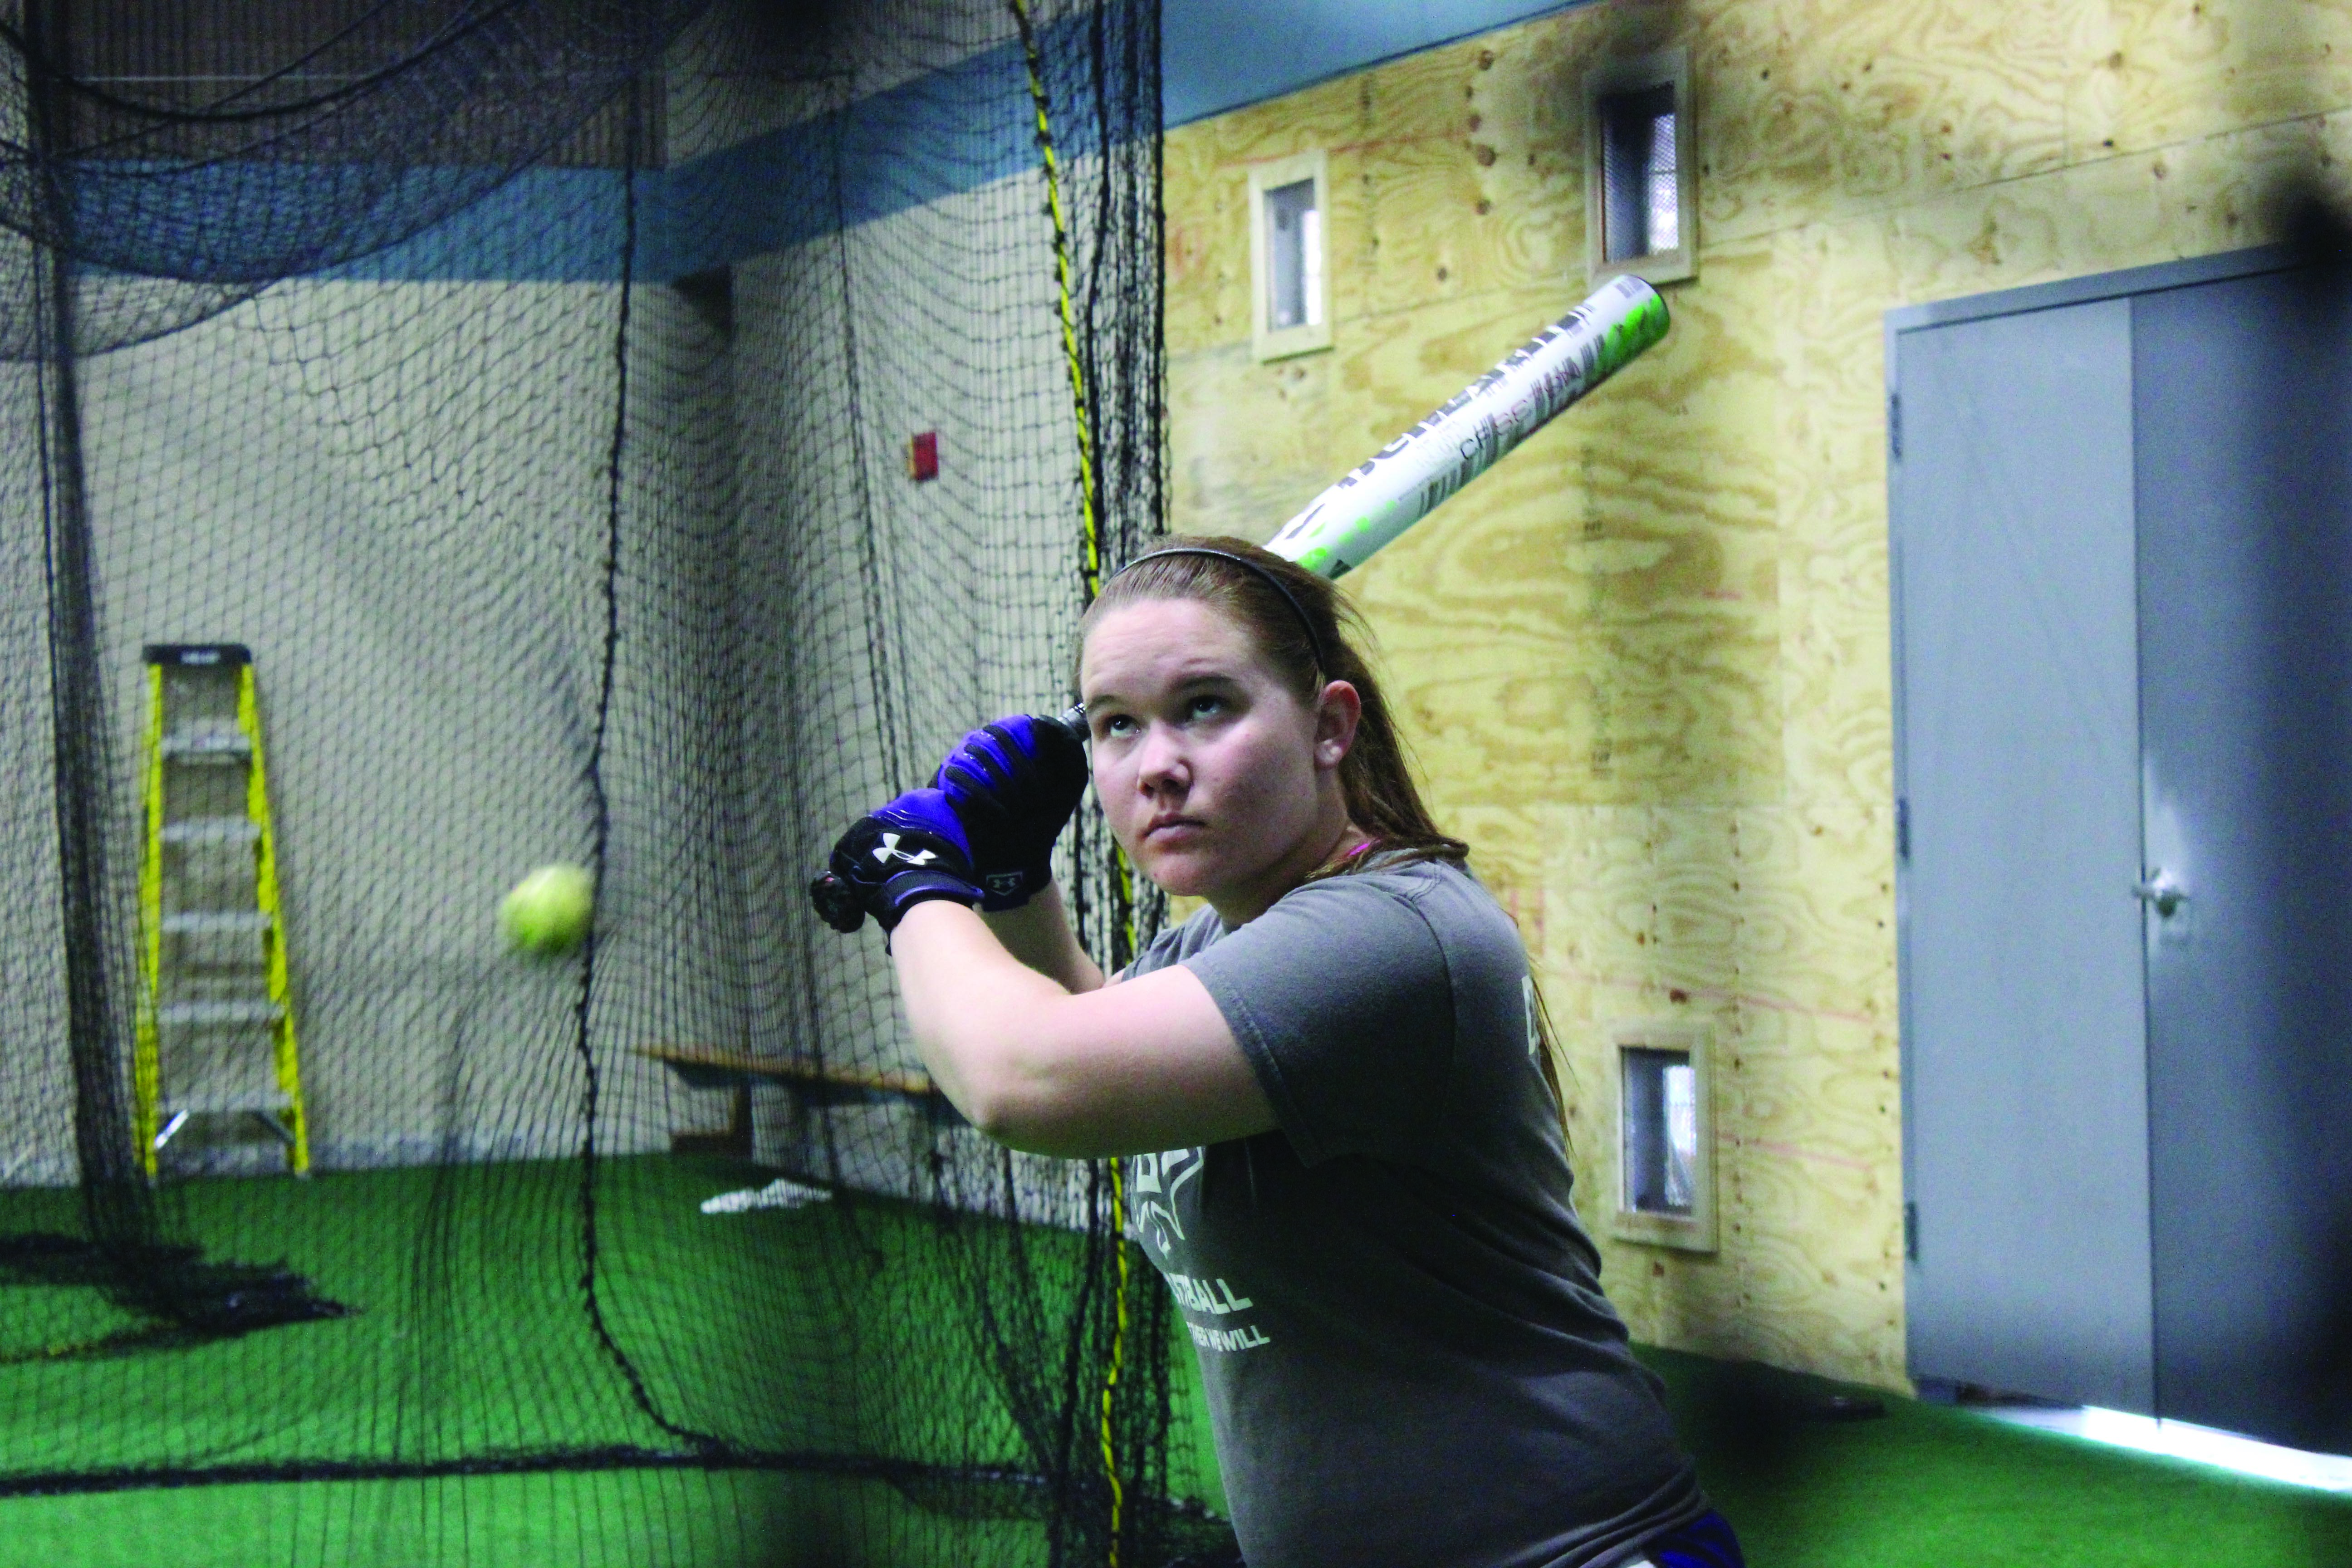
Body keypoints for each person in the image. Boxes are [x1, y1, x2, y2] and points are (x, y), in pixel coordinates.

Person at [813, 536, 1742, 1568]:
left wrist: (914, 882)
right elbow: (1101, 1048)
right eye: (1117, 726)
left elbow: (1026, 1080)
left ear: (1329, 726)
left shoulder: (1391, 938)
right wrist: (1009, 878)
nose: (1158, 765)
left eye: (1206, 706)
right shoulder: (1221, 941)